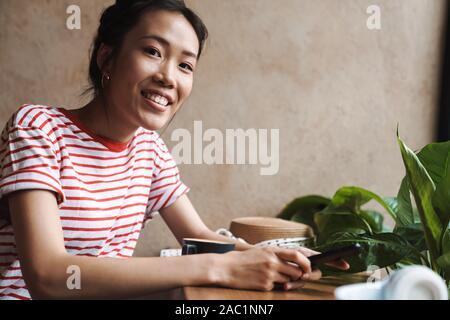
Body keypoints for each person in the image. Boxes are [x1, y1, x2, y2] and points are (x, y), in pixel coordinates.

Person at [0, 0, 348, 300]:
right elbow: (47, 275)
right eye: (153, 51)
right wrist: (214, 268)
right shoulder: (38, 128)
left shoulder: (149, 150)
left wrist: (281, 257)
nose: (169, 77)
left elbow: (200, 237)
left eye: (185, 65)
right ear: (107, 58)